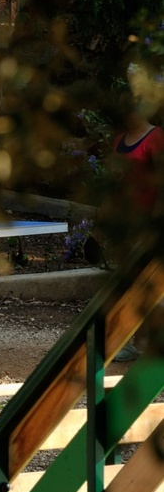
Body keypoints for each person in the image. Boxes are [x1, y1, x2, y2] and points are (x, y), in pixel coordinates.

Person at [109, 94, 164, 361]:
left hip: (150, 225)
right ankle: (140, 345)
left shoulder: (156, 138)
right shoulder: (119, 140)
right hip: (125, 226)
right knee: (133, 287)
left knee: (154, 286)